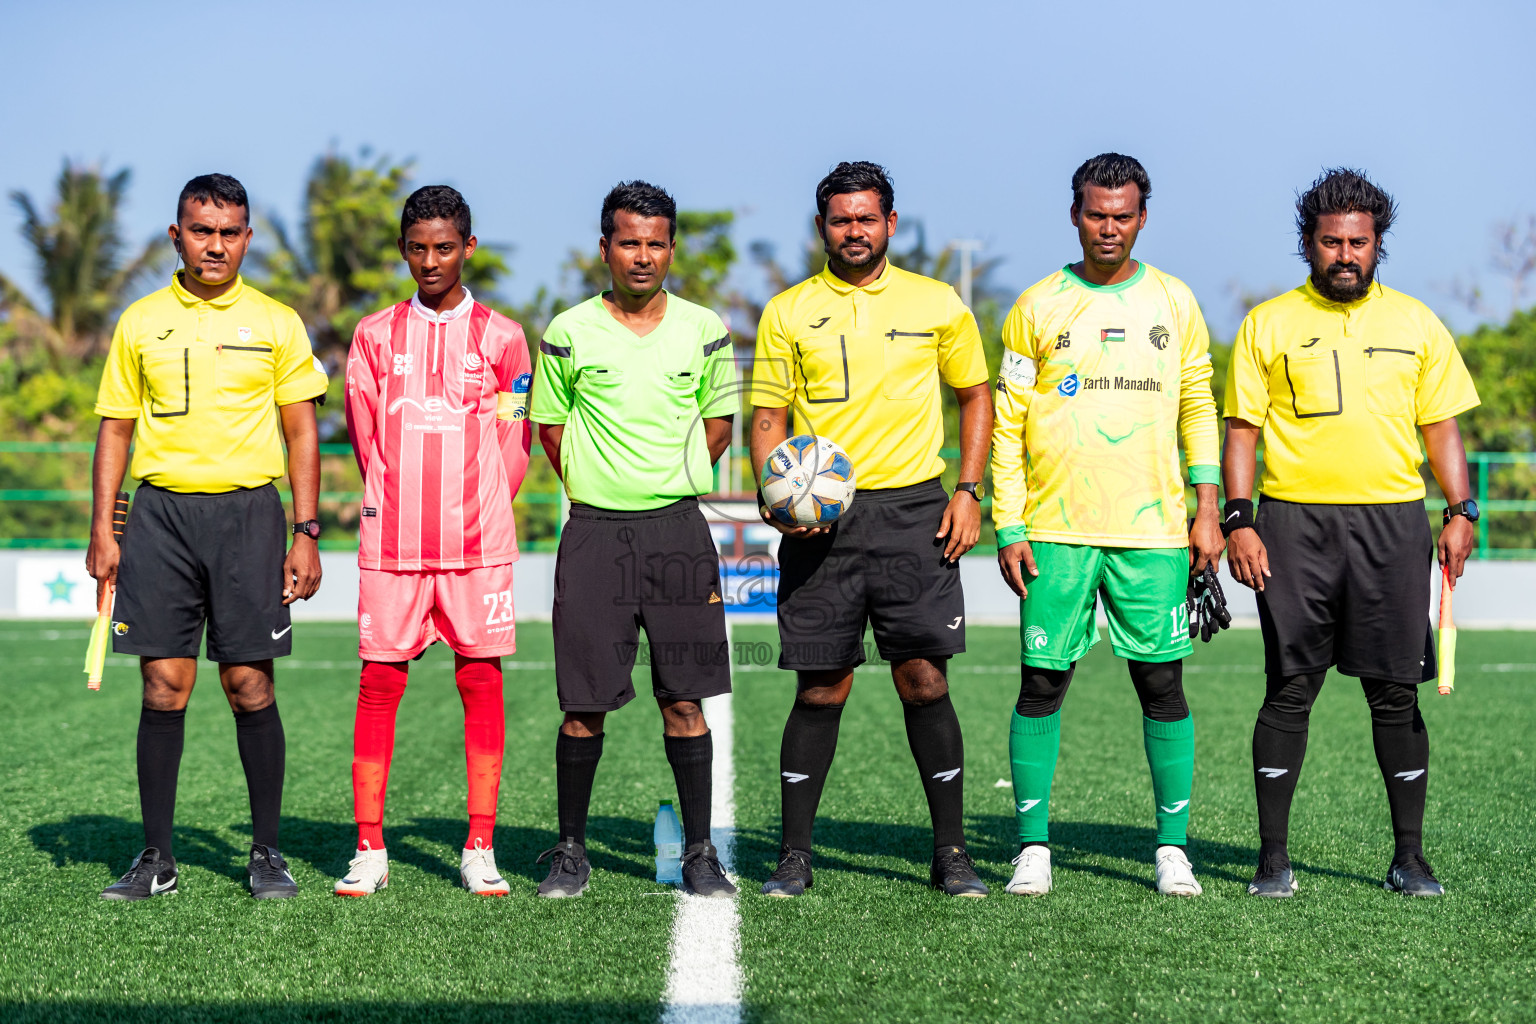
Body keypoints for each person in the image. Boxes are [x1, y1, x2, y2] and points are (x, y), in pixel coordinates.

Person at [1223, 168, 1480, 899]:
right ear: (1308, 243)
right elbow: (1242, 430)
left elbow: (1442, 426)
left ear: (1378, 246)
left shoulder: (1417, 322)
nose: (1345, 254)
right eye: (1331, 241)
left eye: (1358, 243)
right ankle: (1272, 859)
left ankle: (1410, 857)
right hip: (1293, 524)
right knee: (1289, 689)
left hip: (1393, 526)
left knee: (1396, 694)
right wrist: (1240, 519)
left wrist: (1461, 510)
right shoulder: (1268, 322)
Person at [750, 161, 993, 898]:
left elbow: (975, 396)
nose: (853, 231)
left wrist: (969, 490)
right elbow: (768, 418)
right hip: (822, 522)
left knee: (923, 679)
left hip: (916, 513)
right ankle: (794, 856)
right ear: (822, 226)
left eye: (866, 219)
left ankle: (951, 853)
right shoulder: (787, 310)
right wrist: (774, 494)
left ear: (890, 224)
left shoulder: (938, 302)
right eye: (839, 219)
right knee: (821, 684)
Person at [88, 173, 327, 900]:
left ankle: (267, 853)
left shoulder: (278, 322)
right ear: (176, 235)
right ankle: (156, 856)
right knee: (164, 685)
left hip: (250, 516)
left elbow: (301, 431)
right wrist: (103, 526)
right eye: (201, 230)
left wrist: (305, 530)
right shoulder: (139, 321)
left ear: (248, 239)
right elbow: (115, 428)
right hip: (159, 517)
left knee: (249, 683)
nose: (214, 245)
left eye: (228, 232)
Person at [991, 153, 1222, 898]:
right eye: (1097, 214)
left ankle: (1172, 849)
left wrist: (1208, 505)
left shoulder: (1175, 302)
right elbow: (1006, 425)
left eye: (1123, 216)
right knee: (1041, 682)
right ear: (1074, 215)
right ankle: (1032, 846)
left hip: (1155, 531)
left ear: (1143, 217)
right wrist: (1008, 523)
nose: (1110, 228)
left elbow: (1198, 408)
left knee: (1161, 683)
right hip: (1055, 530)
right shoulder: (1037, 305)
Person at [530, 181, 737, 899]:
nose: (642, 256)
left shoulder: (704, 327)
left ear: (671, 248)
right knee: (582, 704)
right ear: (605, 248)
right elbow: (550, 427)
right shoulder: (569, 330)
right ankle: (568, 850)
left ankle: (702, 852)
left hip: (678, 532)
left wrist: (666, 481)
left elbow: (719, 422)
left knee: (685, 699)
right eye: (628, 241)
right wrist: (601, 486)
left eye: (654, 242)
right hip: (594, 534)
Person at [334, 186, 532, 897]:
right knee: (379, 683)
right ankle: (369, 849)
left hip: (477, 545)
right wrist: (395, 503)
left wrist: (477, 507)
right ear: (402, 250)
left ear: (468, 249)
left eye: (444, 247)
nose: (430, 261)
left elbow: (515, 436)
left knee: (480, 681)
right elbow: (365, 434)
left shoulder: (506, 337)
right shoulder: (373, 334)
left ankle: (480, 845)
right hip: (393, 545)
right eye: (417, 248)